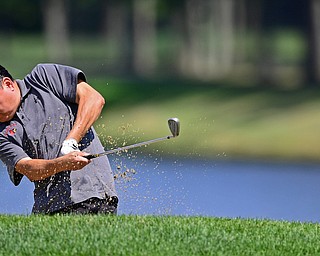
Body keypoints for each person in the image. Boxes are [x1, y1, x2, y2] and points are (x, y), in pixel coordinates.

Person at [0, 63, 118, 214]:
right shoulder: (2, 133)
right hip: (48, 208)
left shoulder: (43, 77)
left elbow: (94, 99)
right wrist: (62, 163)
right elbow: (28, 168)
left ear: (8, 84)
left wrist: (71, 141)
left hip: (92, 195)